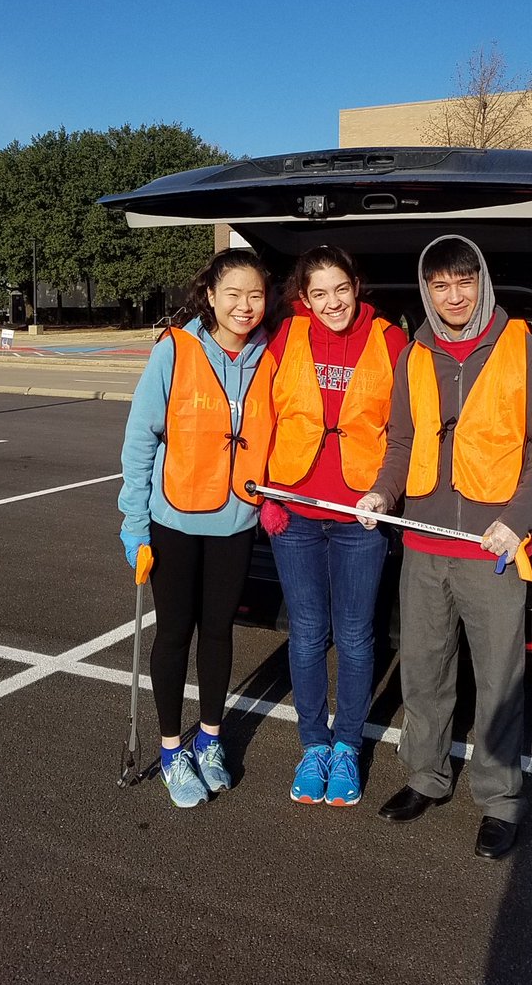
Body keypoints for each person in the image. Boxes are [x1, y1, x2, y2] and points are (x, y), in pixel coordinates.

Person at [357, 235, 532, 858]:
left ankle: (500, 800)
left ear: (482, 283)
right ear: (427, 290)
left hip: (492, 549)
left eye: (464, 282)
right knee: (424, 670)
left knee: (499, 681)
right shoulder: (414, 354)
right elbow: (401, 443)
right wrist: (381, 493)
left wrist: (515, 520)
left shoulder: (523, 349)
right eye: (440, 285)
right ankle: (426, 776)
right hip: (424, 543)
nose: (453, 296)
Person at [118, 249, 275, 808]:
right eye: (232, 294)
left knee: (218, 632)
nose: (244, 306)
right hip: (175, 520)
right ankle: (170, 751)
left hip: (237, 521)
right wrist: (135, 525)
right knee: (174, 633)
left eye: (255, 295)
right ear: (210, 295)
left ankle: (209, 740)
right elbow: (140, 439)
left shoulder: (270, 356)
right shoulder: (176, 349)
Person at [266, 246, 407, 807]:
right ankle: (312, 746)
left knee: (353, 635)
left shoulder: (391, 341)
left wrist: (391, 494)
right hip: (294, 508)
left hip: (360, 514)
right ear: (304, 297)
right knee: (305, 633)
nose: (332, 303)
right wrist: (264, 494)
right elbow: (261, 413)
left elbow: (406, 429)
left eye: (340, 289)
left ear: (356, 286)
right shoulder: (285, 336)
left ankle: (347, 744)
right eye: (318, 293)